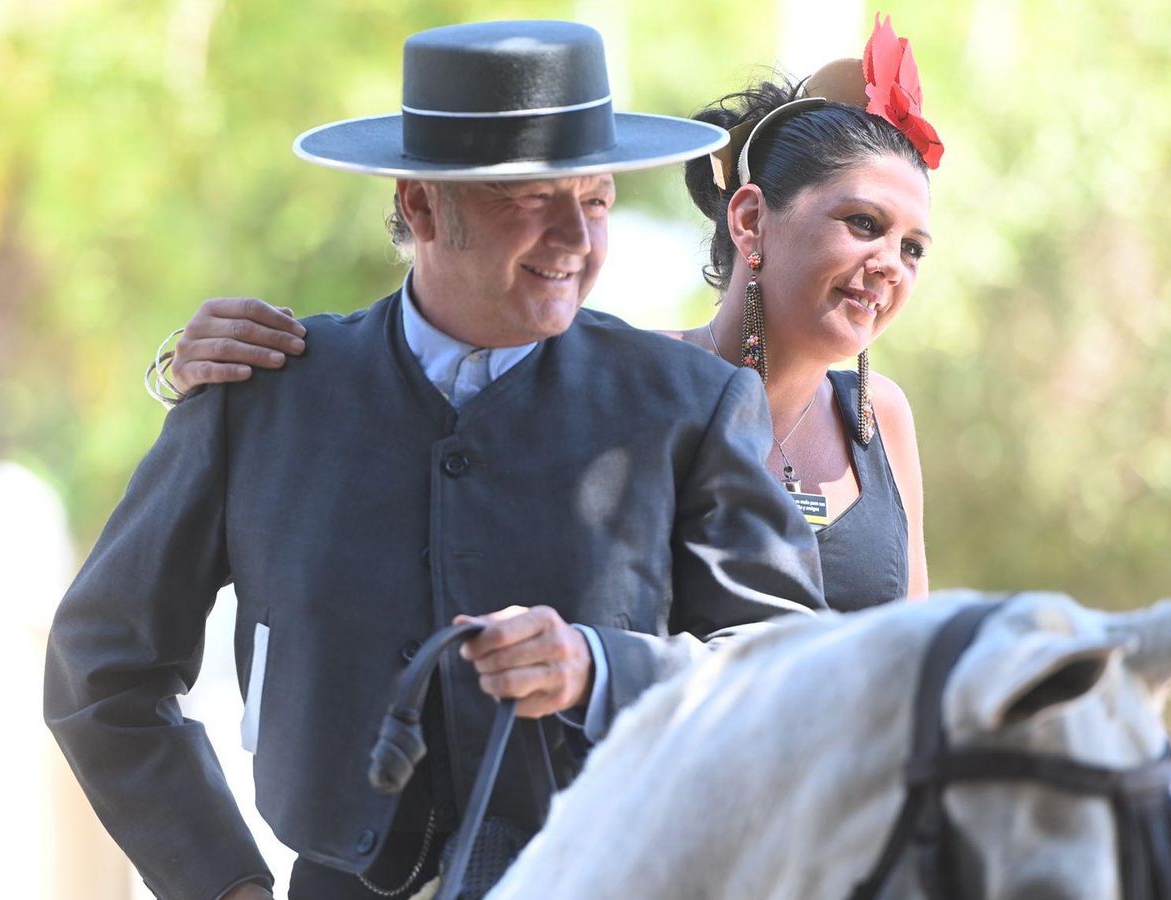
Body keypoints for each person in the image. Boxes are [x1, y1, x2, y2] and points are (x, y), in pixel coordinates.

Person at [46, 20, 824, 900]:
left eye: (597, 200)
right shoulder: (260, 398)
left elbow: (791, 673)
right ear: (420, 205)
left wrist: (599, 670)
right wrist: (224, 886)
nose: (577, 238)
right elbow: (101, 668)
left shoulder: (689, 406)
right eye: (532, 197)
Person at [153, 15, 939, 613]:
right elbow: (434, 385)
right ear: (749, 221)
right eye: (864, 225)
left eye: (913, 248)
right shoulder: (624, 386)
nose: (888, 268)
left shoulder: (885, 421)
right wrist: (197, 376)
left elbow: (918, 653)